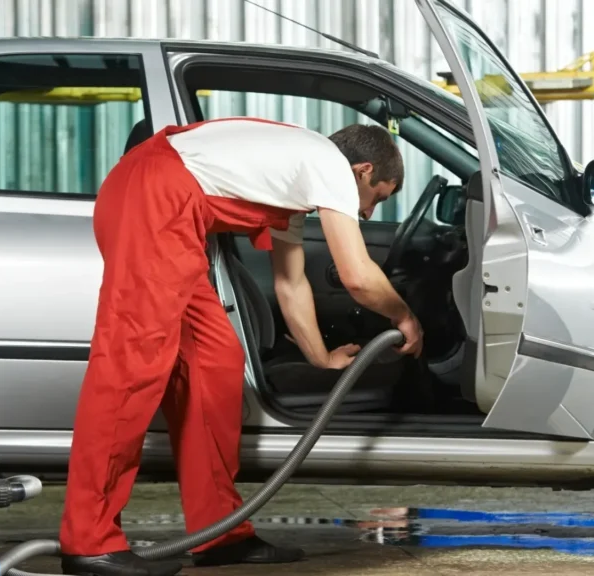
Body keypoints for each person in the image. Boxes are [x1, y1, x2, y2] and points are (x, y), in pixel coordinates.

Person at [59, 117, 424, 576]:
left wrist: (321, 357)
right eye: (379, 198)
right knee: (132, 370)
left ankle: (218, 534)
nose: (370, 214)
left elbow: (291, 285)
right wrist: (404, 315)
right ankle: (88, 539)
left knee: (215, 358)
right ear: (363, 171)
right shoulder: (329, 164)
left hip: (172, 212)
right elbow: (356, 275)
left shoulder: (297, 183)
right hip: (153, 198)